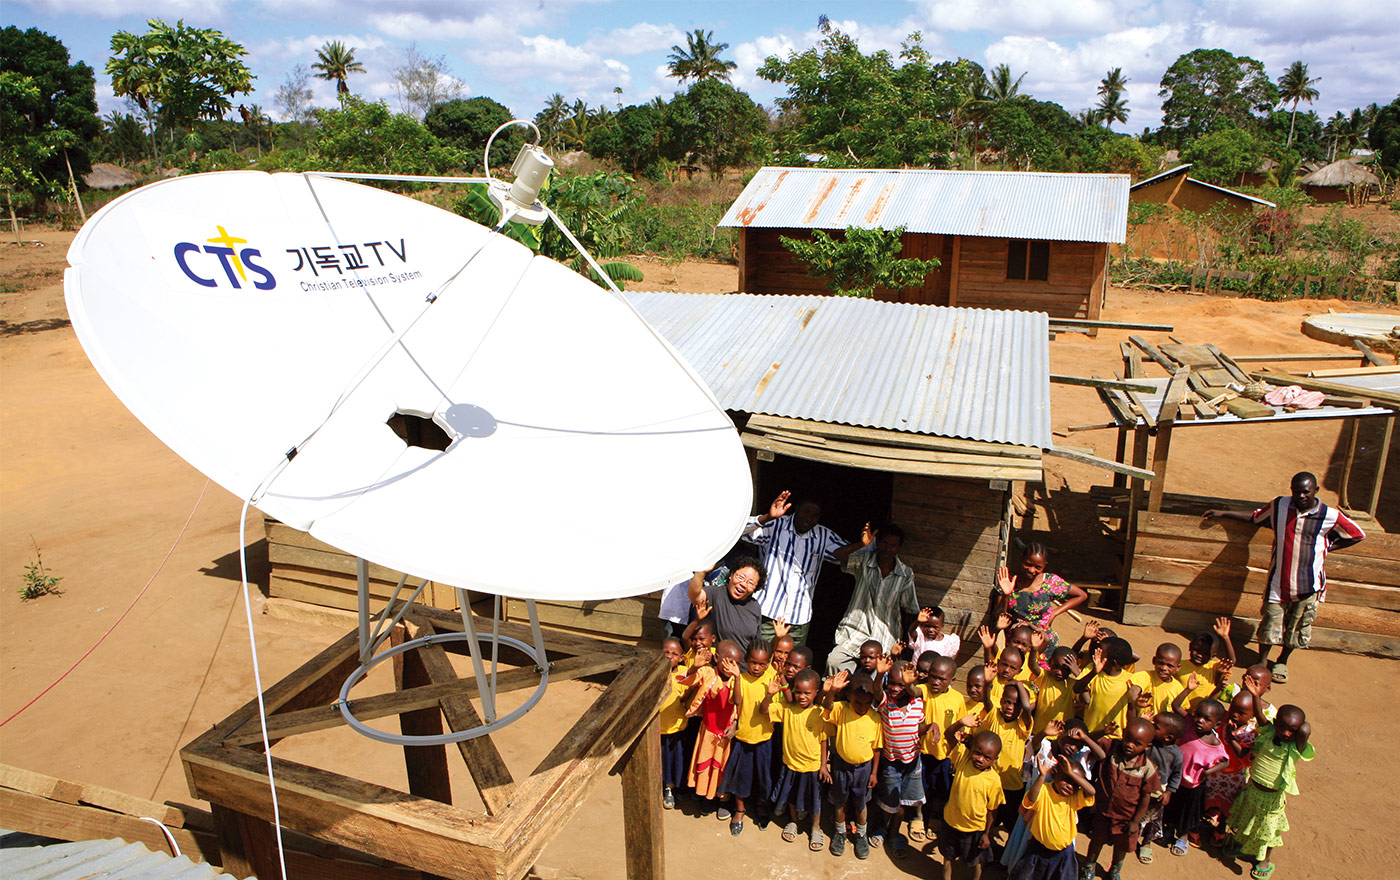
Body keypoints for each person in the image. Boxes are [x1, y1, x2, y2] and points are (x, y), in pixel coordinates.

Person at [1203, 471, 1364, 684]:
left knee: (1297, 627)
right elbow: (1256, 517)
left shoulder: (1329, 515)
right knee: (1270, 622)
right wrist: (1225, 514)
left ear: (1316, 490)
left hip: (1309, 585)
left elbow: (1357, 534)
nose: (1301, 496)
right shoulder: (1280, 506)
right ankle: (1261, 661)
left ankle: (1282, 661)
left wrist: (1327, 547)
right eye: (1296, 491)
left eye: (1306, 492)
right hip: (1278, 582)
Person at [744, 490, 864, 646]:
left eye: (815, 515)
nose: (809, 518)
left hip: (799, 618)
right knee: (760, 659)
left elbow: (841, 555)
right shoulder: (777, 525)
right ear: (797, 508)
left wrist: (862, 544)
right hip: (767, 613)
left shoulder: (822, 535)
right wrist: (768, 517)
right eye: (806, 511)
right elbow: (740, 530)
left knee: (792, 665)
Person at [1226, 701, 1313, 880]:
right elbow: (1261, 717)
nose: (1287, 733)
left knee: (1268, 831)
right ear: (1275, 723)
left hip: (1271, 799)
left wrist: (1302, 727)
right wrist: (1256, 695)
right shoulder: (1267, 734)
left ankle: (1265, 860)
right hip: (1252, 790)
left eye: (1293, 730)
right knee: (1244, 818)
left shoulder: (1294, 747)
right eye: (1282, 727)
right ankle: (1238, 844)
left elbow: (1305, 731)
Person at [827, 524, 917, 674]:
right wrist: (862, 545)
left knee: (875, 679)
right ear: (877, 543)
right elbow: (837, 555)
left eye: (893, 546)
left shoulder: (905, 574)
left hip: (885, 638)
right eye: (884, 543)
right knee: (834, 661)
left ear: (899, 548)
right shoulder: (864, 560)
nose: (888, 549)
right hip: (853, 632)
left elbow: (910, 609)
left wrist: (905, 644)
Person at [1083, 717, 1162, 880]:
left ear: (1147, 746)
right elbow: (1089, 740)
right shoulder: (1111, 748)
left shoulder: (1147, 768)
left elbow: (1146, 798)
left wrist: (1135, 822)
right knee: (1097, 840)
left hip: (1126, 819)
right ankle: (1089, 866)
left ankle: (1115, 870)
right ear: (1123, 734)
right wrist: (1103, 732)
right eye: (1127, 738)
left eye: (1137, 743)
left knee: (1122, 846)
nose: (1129, 744)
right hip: (1103, 812)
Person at [717, 641, 779, 835]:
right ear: (746, 660)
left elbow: (764, 709)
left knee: (763, 779)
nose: (757, 667)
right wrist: (736, 677)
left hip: (764, 740)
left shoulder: (772, 679)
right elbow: (737, 701)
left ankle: (761, 808)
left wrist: (769, 695)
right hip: (743, 739)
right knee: (740, 778)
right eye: (753, 662)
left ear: (768, 664)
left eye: (762, 664)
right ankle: (740, 810)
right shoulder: (741, 678)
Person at [821, 669, 882, 859]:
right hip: (841, 766)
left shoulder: (875, 718)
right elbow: (826, 705)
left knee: (861, 803)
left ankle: (861, 834)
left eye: (867, 703)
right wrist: (832, 691)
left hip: (863, 770)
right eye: (858, 702)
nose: (862, 707)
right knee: (839, 801)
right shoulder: (842, 709)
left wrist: (873, 773)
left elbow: (877, 749)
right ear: (849, 696)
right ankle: (840, 832)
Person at [994, 544, 1088, 667]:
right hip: (1018, 645)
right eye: (1028, 564)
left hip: (1044, 644)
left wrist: (1055, 612)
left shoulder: (1050, 582)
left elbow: (1081, 595)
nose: (1032, 570)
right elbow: (998, 615)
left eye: (1038, 567)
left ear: (1045, 565)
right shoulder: (1008, 580)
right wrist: (1006, 595)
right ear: (1021, 558)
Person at [770, 668, 832, 852]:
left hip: (812, 766)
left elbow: (823, 740)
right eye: (798, 692)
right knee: (792, 795)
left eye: (807, 693)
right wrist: (780, 681)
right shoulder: (788, 710)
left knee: (814, 800)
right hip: (791, 764)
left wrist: (823, 765)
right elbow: (765, 709)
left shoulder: (819, 713)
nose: (802, 696)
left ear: (816, 693)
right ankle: (793, 821)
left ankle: (815, 827)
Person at [868, 657, 925, 858]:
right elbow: (877, 691)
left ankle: (894, 835)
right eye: (891, 683)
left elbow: (918, 697)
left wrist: (932, 727)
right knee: (888, 801)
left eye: (900, 685)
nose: (894, 688)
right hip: (891, 761)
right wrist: (881, 674)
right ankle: (881, 828)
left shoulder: (918, 702)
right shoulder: (886, 702)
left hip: (912, 762)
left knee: (902, 804)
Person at [1008, 753, 1095, 880]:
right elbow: (1032, 798)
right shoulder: (1044, 790)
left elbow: (1092, 792)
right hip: (1038, 849)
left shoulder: (1074, 798)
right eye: (1066, 779)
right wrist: (1042, 776)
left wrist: (1070, 773)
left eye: (1075, 784)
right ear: (1054, 774)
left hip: (1063, 853)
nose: (1070, 786)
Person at [1163, 695, 1230, 857]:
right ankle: (1169, 828)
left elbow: (1225, 761)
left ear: (1217, 724)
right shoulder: (1188, 724)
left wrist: (1208, 772)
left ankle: (1183, 836)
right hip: (1175, 779)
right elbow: (1176, 705)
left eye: (1207, 719)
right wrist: (1188, 690)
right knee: (1171, 806)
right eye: (1198, 715)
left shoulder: (1214, 743)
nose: (1200, 720)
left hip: (1194, 785)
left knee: (1189, 812)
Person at [683, 641, 743, 810]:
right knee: (705, 762)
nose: (730, 667)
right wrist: (695, 667)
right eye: (727, 661)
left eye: (736, 663)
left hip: (725, 734)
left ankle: (719, 798)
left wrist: (737, 677)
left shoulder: (736, 680)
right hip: (708, 730)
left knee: (720, 765)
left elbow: (738, 702)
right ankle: (705, 796)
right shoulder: (709, 673)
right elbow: (687, 681)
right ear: (717, 657)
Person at [938, 727, 1005, 880]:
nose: (980, 759)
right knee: (948, 856)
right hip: (952, 822)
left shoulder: (994, 781)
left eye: (987, 757)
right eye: (977, 753)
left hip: (975, 829)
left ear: (995, 759)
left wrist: (987, 834)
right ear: (971, 749)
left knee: (977, 861)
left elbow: (992, 810)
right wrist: (961, 726)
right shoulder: (963, 759)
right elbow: (949, 736)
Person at [686, 557, 766, 648]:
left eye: (750, 583)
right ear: (731, 575)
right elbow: (695, 596)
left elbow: (757, 642)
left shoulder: (755, 606)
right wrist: (701, 573)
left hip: (744, 661)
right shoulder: (715, 594)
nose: (743, 584)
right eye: (740, 577)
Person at [658, 638, 690, 810]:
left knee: (676, 760)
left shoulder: (685, 674)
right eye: (666, 652)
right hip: (658, 728)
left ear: (682, 657)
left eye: (674, 654)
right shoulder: (654, 672)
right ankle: (666, 788)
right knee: (662, 761)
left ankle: (673, 786)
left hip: (677, 728)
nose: (669, 656)